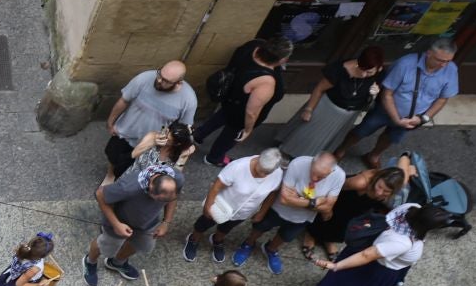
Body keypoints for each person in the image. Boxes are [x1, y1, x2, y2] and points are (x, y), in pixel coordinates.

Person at [305, 202, 450, 286]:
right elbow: (367, 255)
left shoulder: (411, 207)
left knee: (339, 284)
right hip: (377, 269)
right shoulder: (403, 243)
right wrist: (336, 266)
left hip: (371, 251)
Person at [343, 37, 458, 168]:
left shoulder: (451, 70)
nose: (444, 65)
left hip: (412, 118)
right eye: (440, 60)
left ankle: (373, 155)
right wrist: (396, 118)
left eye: (448, 61)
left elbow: (443, 98)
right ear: (429, 53)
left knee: (390, 138)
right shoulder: (405, 64)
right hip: (385, 110)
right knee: (361, 130)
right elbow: (387, 94)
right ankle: (341, 150)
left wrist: (424, 118)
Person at [235, 151, 344, 273]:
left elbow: (327, 207)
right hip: (277, 209)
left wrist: (296, 199)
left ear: (331, 172)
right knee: (260, 226)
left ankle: (270, 249)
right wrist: (315, 202)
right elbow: (284, 199)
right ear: (312, 162)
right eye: (313, 173)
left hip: (302, 217)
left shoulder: (339, 176)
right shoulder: (298, 163)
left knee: (286, 236)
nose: (314, 178)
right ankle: (248, 243)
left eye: (320, 177)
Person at [199, 37, 292, 166]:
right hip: (240, 114)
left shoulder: (252, 47)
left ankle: (197, 136)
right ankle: (214, 157)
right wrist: (248, 129)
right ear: (282, 60)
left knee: (220, 116)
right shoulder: (266, 81)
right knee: (230, 135)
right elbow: (251, 111)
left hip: (230, 98)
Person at [82, 164, 179, 286]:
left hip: (148, 224)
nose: (158, 204)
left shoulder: (177, 178)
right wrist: (116, 224)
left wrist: (166, 222)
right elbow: (100, 194)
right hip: (119, 222)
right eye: (157, 200)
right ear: (150, 187)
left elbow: (173, 198)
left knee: (142, 245)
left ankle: (117, 263)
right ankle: (90, 261)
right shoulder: (129, 186)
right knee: (105, 246)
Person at [183, 149, 283, 262]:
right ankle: (194, 239)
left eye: (267, 173)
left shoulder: (277, 173)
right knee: (204, 223)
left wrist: (262, 212)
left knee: (227, 227)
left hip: (242, 212)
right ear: (259, 159)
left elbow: (273, 193)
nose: (263, 175)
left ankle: (217, 239)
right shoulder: (238, 167)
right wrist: (208, 206)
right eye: (261, 170)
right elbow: (216, 186)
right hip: (221, 206)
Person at [281, 47, 383, 158]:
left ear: (378, 68)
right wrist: (309, 109)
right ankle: (289, 153)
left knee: (327, 140)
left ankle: (311, 159)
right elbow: (319, 89)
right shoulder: (339, 70)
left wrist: (374, 94)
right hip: (328, 108)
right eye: (362, 69)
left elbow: (367, 103)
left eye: (369, 72)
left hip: (348, 115)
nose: (364, 74)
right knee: (309, 134)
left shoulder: (377, 74)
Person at [102, 61, 196, 179]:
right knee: (113, 155)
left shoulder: (188, 99)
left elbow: (185, 128)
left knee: (134, 167)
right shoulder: (144, 78)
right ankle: (110, 175)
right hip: (125, 131)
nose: (159, 80)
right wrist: (110, 122)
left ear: (178, 83)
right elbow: (124, 100)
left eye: (166, 81)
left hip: (150, 143)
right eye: (160, 74)